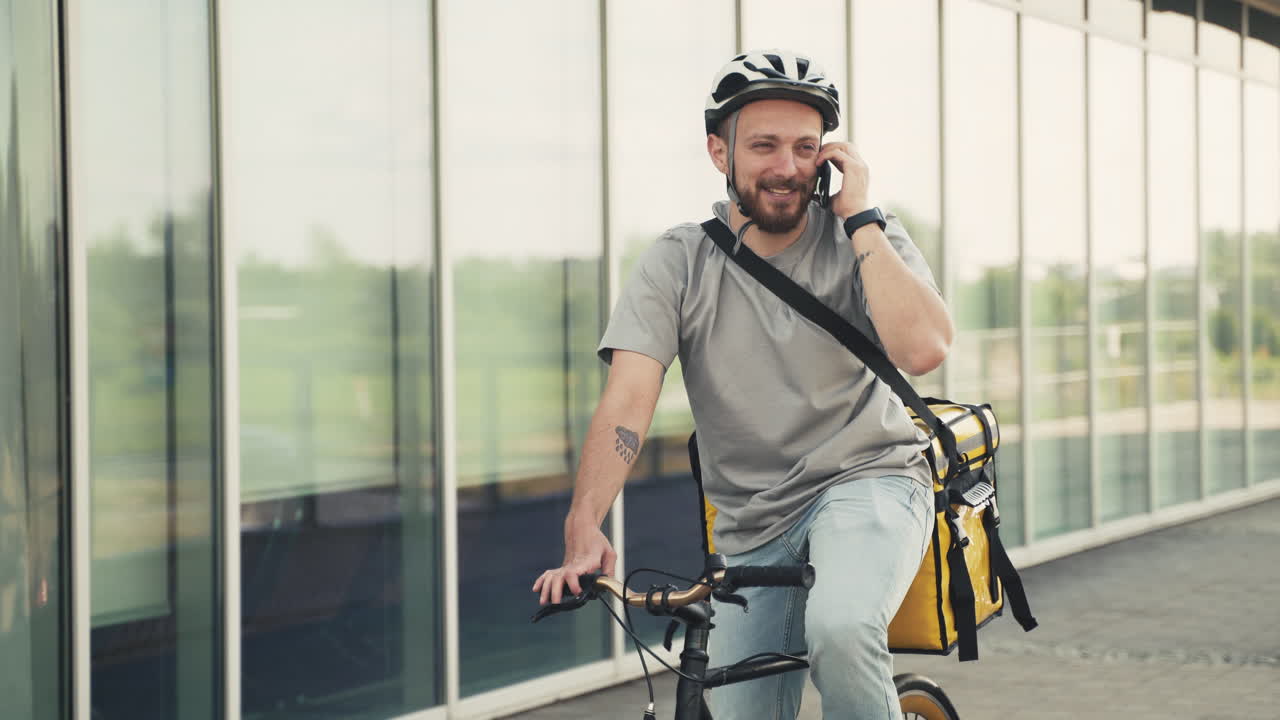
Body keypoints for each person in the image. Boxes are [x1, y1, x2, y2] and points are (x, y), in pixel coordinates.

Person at [533, 49, 954, 719]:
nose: (786, 166)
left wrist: (863, 215)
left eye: (805, 147)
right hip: (752, 519)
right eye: (763, 146)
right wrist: (585, 524)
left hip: (868, 480)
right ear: (718, 151)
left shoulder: (863, 236)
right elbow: (628, 402)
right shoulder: (678, 261)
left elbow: (924, 348)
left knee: (842, 631)